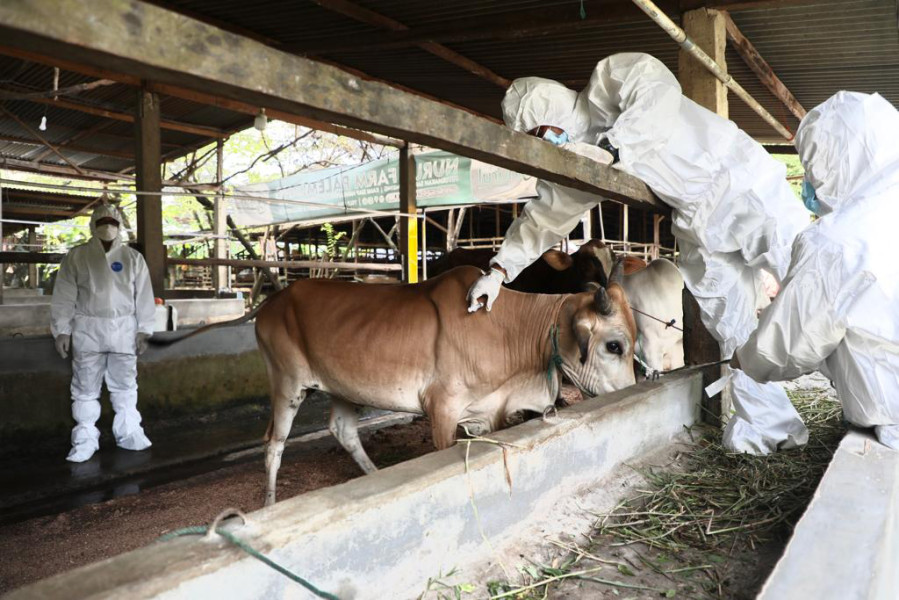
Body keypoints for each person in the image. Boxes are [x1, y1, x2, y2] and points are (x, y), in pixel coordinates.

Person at [467, 52, 811, 454]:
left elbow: (658, 93)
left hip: (740, 186)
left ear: (554, 110)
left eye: (542, 133)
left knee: (811, 283)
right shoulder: (581, 161)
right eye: (536, 143)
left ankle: (881, 398)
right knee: (731, 327)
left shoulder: (611, 80)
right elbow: (543, 217)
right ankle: (774, 429)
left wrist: (615, 147)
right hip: (698, 224)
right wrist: (498, 270)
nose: (547, 145)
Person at [733, 91, 899, 450]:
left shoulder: (840, 238)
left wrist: (745, 358)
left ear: (833, 161)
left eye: (811, 168)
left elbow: (788, 345)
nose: (810, 183)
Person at [51, 204, 156, 462]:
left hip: (124, 329)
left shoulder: (133, 258)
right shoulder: (76, 257)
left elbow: (144, 296)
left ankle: (130, 432)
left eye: (112, 221)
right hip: (88, 329)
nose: (108, 225)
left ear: (119, 225)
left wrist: (144, 329)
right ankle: (85, 439)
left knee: (125, 385)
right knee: (85, 388)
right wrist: (62, 331)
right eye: (103, 220)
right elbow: (64, 296)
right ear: (93, 224)